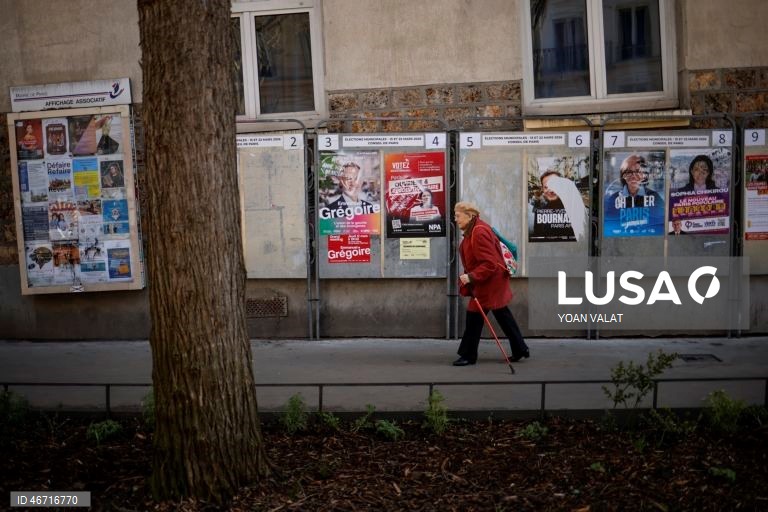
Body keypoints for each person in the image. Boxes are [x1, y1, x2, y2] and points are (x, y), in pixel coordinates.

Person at [453, 201, 529, 366]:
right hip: (492, 282)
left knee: (474, 317)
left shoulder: (478, 232)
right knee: (503, 315)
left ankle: (468, 355)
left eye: (458, 216)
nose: (456, 219)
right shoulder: (474, 229)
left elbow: (490, 264)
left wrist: (471, 277)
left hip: (489, 284)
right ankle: (520, 348)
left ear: (469, 215)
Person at [604, 154, 664, 234]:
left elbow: (661, 226)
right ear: (623, 175)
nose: (633, 176)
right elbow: (609, 227)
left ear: (644, 175)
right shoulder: (614, 199)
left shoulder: (655, 197)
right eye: (628, 172)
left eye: (637, 171)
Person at [530, 169, 586, 241]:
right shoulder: (539, 212)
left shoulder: (575, 210)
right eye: (546, 187)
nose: (550, 190)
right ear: (543, 189)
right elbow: (537, 237)